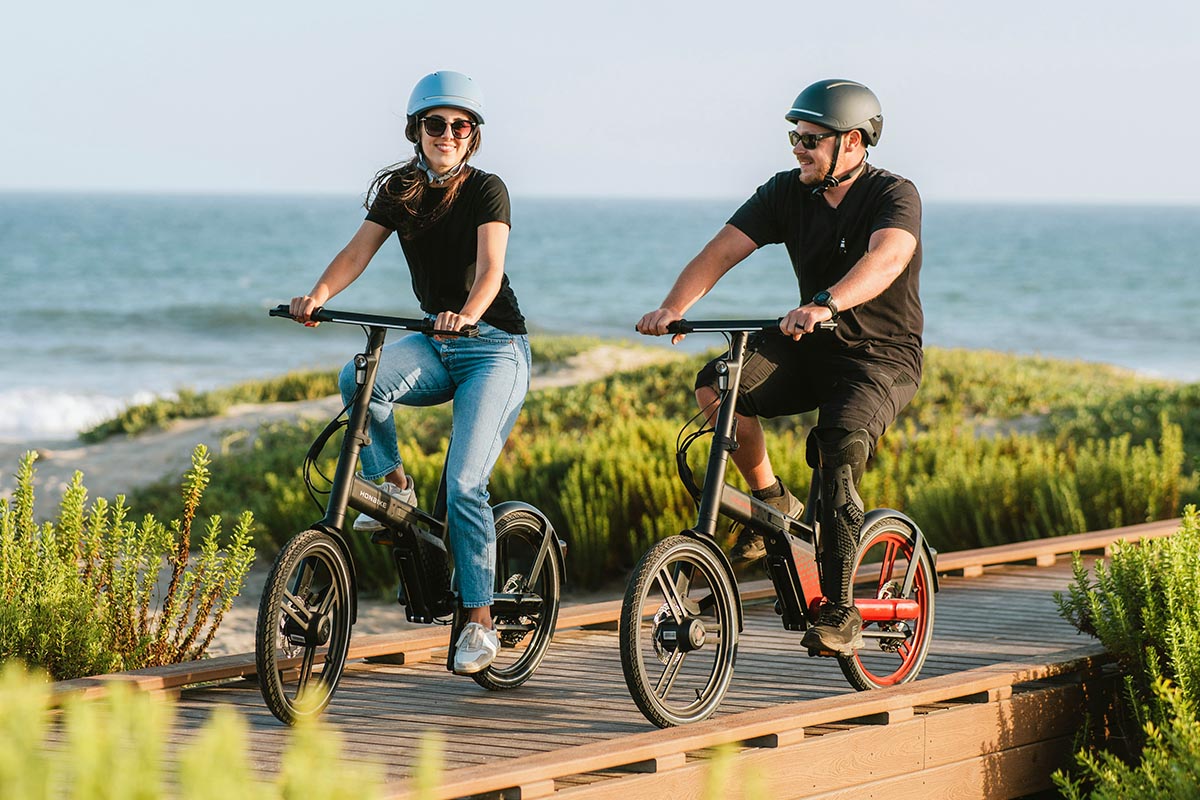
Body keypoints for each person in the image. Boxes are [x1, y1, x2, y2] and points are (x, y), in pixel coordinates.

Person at [636, 79, 922, 656]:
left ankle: (842, 612)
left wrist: (828, 303)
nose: (798, 146)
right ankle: (773, 500)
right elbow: (721, 251)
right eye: (795, 135)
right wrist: (674, 307)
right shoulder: (786, 193)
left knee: (838, 445)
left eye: (811, 138)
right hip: (811, 345)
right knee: (718, 389)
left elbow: (887, 257)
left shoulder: (894, 194)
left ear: (854, 142)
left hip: (880, 357)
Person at [289, 70, 530, 675]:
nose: (446, 133)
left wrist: (468, 316)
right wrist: (316, 295)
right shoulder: (400, 189)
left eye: (459, 125)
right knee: (358, 379)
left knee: (466, 484)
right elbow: (357, 251)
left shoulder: (487, 189)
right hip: (436, 340)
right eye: (435, 124)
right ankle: (392, 483)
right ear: (415, 130)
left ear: (472, 135)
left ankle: (477, 619)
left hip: (493, 347)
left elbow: (490, 270)